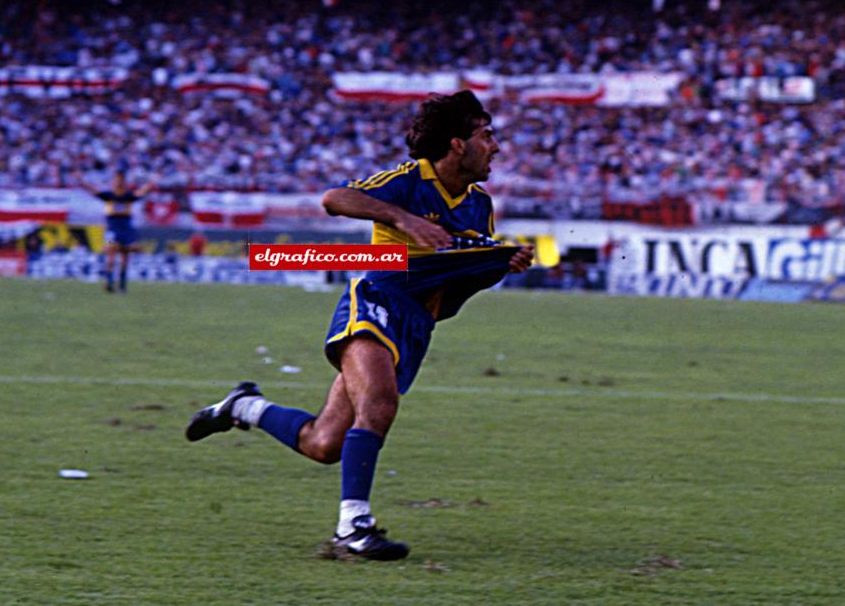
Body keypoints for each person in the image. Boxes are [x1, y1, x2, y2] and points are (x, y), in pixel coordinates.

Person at [186, 91, 534, 560]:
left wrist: (498, 264)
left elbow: (459, 274)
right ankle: (354, 529)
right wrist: (405, 220)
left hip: (417, 325)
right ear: (457, 144)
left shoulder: (479, 205)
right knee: (379, 402)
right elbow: (335, 198)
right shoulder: (410, 181)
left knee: (324, 443)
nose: (496, 146)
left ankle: (243, 407)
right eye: (487, 136)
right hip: (376, 301)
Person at [89, 169, 154, 293]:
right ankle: (109, 283)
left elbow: (141, 192)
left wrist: (151, 183)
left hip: (125, 229)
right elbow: (93, 190)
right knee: (111, 256)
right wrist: (80, 181)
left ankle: (122, 286)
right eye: (116, 180)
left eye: (120, 180)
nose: (118, 182)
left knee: (125, 257)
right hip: (112, 228)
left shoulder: (128, 196)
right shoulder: (109, 195)